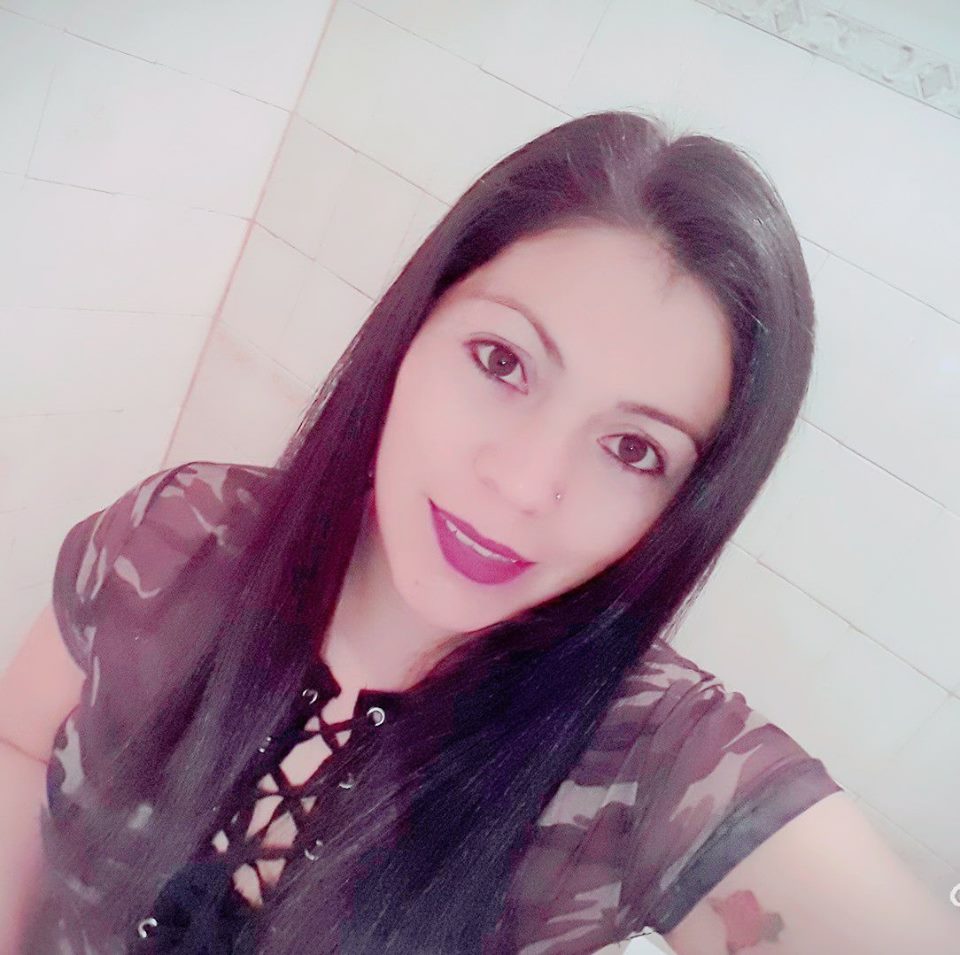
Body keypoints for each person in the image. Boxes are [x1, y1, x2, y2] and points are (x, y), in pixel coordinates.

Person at [1, 111, 956, 955]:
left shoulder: (652, 768)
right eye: (502, 361)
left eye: (633, 449)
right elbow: (19, 741)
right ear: (413, 327)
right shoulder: (178, 535)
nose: (526, 483)